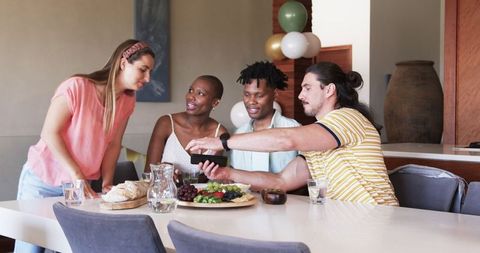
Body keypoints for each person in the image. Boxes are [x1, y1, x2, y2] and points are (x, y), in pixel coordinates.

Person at [186, 62, 399, 206]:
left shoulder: (348, 118)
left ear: (329, 90)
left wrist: (222, 142)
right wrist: (227, 174)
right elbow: (281, 181)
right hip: (346, 221)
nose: (300, 95)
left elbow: (286, 139)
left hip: (376, 216)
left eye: (307, 88)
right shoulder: (318, 140)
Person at [15, 39, 155, 253]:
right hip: (42, 182)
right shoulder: (76, 87)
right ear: (123, 63)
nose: (148, 78)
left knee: (71, 247)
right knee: (31, 249)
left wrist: (108, 183)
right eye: (143, 70)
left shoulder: (128, 101)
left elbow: (113, 144)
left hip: (82, 187)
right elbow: (49, 134)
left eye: (150, 72)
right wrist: (77, 174)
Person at [144, 75, 228, 182]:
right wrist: (164, 170)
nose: (191, 97)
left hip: (198, 197)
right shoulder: (166, 123)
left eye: (200, 93)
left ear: (215, 102)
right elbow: (148, 172)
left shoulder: (220, 133)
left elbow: (211, 177)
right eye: (190, 90)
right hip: (165, 196)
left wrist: (182, 178)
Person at [231, 61, 300, 173]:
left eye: (259, 95)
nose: (251, 101)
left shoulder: (294, 129)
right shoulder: (239, 133)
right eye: (247, 94)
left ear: (275, 94)